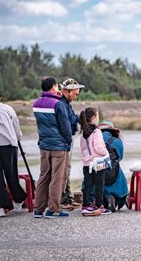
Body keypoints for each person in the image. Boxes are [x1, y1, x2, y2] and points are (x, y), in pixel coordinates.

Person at [32, 77, 72, 218]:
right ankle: (53, 209)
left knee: (43, 176)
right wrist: (69, 141)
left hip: (44, 145)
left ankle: (38, 209)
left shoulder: (36, 103)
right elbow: (65, 127)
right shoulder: (58, 104)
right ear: (54, 86)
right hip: (58, 146)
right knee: (57, 177)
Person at [79, 107, 111, 216]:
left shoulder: (83, 132)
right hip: (98, 163)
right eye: (97, 115)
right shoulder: (97, 131)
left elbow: (83, 148)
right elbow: (98, 147)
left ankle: (86, 205)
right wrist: (106, 152)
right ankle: (99, 205)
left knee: (87, 185)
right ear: (93, 117)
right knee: (99, 185)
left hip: (87, 163)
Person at [59, 78, 85, 211]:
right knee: (64, 170)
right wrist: (68, 139)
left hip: (67, 139)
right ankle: (64, 200)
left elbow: (72, 118)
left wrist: (78, 118)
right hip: (65, 140)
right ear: (67, 91)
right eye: (75, 94)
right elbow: (66, 123)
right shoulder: (62, 104)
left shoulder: (66, 103)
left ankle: (69, 198)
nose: (75, 97)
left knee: (67, 169)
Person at [99, 121, 129, 212]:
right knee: (120, 175)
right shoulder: (118, 141)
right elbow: (120, 157)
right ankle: (113, 198)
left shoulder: (95, 140)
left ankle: (104, 199)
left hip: (99, 170)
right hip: (114, 172)